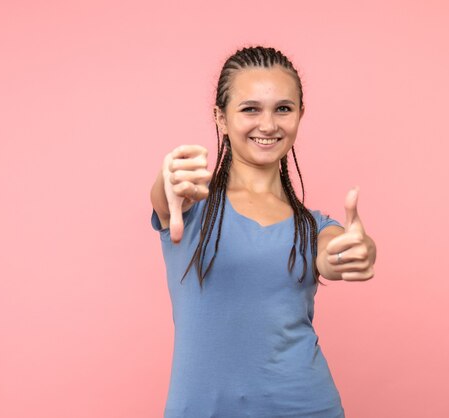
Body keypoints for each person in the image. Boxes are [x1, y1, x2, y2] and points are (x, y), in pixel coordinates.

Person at [150, 45, 376, 418]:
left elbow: (336, 250)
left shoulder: (313, 226)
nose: (268, 125)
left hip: (305, 407)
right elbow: (164, 191)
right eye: (250, 109)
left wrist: (357, 250)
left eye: (283, 109)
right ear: (220, 118)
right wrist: (168, 176)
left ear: (300, 115)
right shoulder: (190, 203)